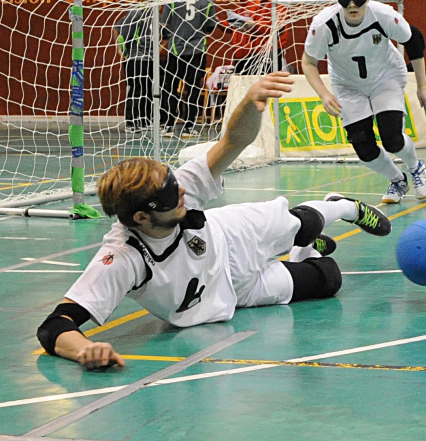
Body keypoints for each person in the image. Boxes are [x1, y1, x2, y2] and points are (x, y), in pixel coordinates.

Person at [35, 72, 393, 369]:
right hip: (228, 295)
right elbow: (55, 326)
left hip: (233, 237)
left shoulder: (178, 189)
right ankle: (303, 252)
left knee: (304, 223)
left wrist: (249, 103)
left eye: (176, 184)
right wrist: (83, 350)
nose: (182, 194)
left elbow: (233, 142)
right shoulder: (123, 258)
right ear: (141, 217)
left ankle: (342, 207)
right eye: (170, 196)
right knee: (328, 279)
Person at [301, 0, 426, 205]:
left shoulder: (384, 15)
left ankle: (415, 167)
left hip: (386, 77)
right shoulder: (323, 25)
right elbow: (308, 62)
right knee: (363, 148)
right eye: (345, 0)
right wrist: (323, 93)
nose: (352, 6)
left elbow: (414, 40)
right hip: (347, 85)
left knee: (391, 138)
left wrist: (422, 85)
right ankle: (397, 180)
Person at [160, 0, 218, 138]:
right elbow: (210, 27)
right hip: (197, 51)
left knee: (170, 89)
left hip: (175, 51)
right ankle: (189, 126)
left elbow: (165, 25)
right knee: (193, 89)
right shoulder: (207, 0)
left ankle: (168, 126)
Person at [221, 0, 287, 76]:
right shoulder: (260, 2)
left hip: (267, 50)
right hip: (252, 51)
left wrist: (252, 25)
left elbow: (273, 28)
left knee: (268, 83)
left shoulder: (272, 1)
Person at [114, 0, 155, 133]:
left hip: (150, 57)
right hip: (135, 57)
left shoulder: (153, 12)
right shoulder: (136, 11)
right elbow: (119, 29)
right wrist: (121, 49)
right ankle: (130, 122)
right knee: (135, 89)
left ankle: (145, 120)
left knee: (147, 90)